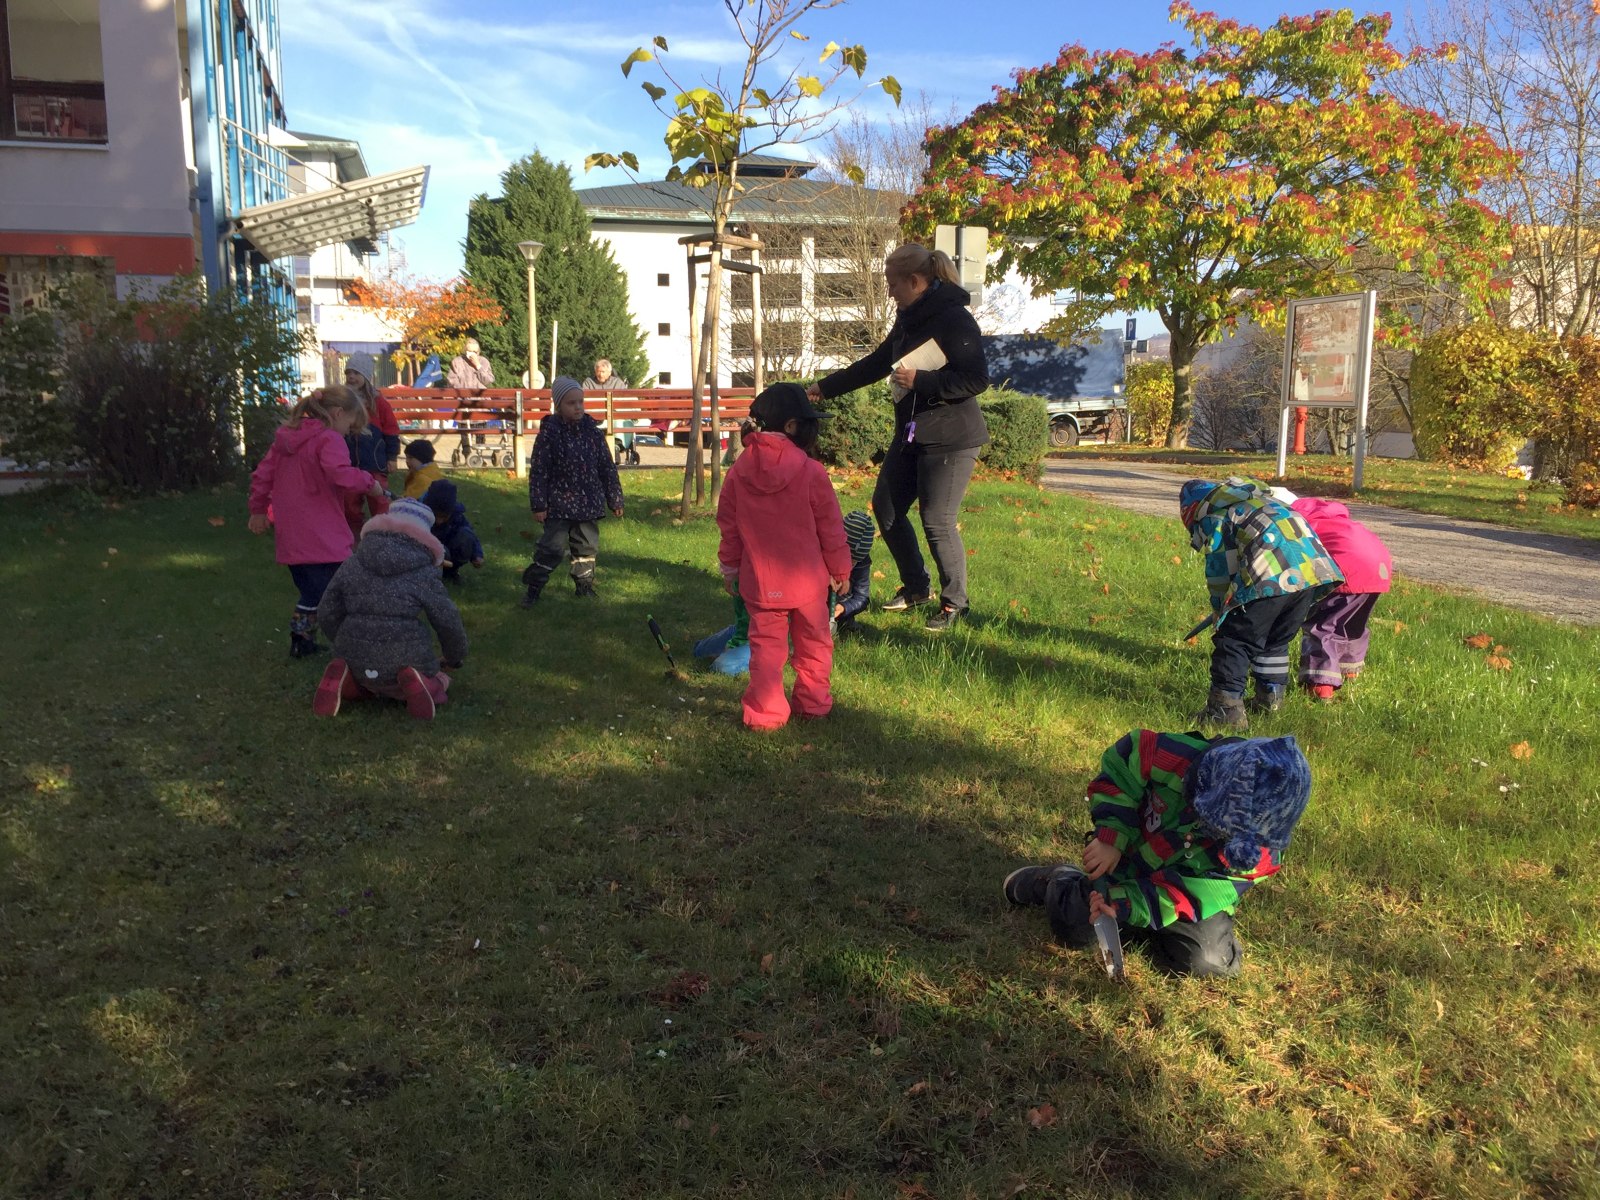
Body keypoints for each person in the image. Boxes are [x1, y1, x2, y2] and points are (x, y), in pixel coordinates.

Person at [1003, 730, 1312, 978]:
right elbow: (1121, 770)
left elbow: (1194, 895)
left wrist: (1129, 904)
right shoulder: (1174, 756)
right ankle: (1059, 880)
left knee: (1206, 961)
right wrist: (1112, 835)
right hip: (1125, 861)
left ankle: (1146, 922)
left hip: (1180, 896)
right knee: (1072, 925)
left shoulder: (1257, 856)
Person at [808, 243, 989, 633]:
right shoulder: (908, 319)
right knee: (886, 510)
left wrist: (922, 380)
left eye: (893, 284)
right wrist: (823, 387)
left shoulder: (954, 319)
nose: (889, 291)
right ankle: (917, 586)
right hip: (912, 433)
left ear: (916, 280)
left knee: (937, 519)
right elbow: (876, 363)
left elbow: (976, 379)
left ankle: (955, 604)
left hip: (952, 437)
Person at [717, 382, 851, 731]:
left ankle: (765, 714)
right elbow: (831, 528)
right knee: (814, 646)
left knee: (766, 652)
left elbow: (729, 527)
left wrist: (730, 568)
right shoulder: (811, 472)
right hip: (808, 584)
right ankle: (812, 703)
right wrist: (840, 568)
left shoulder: (738, 472)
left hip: (761, 584)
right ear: (792, 426)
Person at [1179, 477, 1343, 728]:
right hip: (1310, 575)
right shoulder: (1261, 501)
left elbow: (1220, 569)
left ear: (1191, 511)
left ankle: (1225, 711)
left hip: (1271, 577)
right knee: (1274, 640)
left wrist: (1219, 609)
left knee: (1235, 640)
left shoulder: (1216, 514)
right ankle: (1270, 699)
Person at [248, 385, 387, 658]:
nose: (349, 432)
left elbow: (262, 475)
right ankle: (345, 640)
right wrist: (370, 483)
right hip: (323, 534)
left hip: (294, 535)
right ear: (336, 414)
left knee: (312, 589)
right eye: (350, 425)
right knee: (330, 591)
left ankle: (305, 640)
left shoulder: (286, 439)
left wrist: (258, 509)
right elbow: (341, 474)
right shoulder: (328, 439)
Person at [313, 498, 469, 721]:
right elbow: (447, 620)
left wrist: (340, 638)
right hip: (406, 657)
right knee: (439, 680)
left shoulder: (353, 563)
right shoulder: (425, 573)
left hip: (352, 649)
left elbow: (327, 609)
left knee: (364, 677)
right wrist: (455, 657)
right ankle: (421, 682)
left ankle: (350, 679)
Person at [1273, 490, 1393, 700]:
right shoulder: (1328, 516)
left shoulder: (1296, 524)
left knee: (1323, 625)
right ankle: (1350, 669)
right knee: (1351, 622)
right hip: (1379, 569)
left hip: (1347, 568)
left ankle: (1320, 683)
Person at [521, 377, 624, 606]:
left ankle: (584, 586)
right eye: (571, 403)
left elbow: (607, 467)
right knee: (551, 548)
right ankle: (533, 588)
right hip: (559, 504)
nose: (578, 407)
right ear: (558, 405)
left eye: (580, 402)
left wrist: (615, 499)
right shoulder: (550, 434)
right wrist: (539, 505)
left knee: (586, 547)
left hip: (588, 504)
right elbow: (539, 472)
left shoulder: (593, 433)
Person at [343, 353, 400, 535]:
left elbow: (391, 430)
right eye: (348, 373)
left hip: (375, 463)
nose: (351, 377)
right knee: (350, 504)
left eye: (356, 373)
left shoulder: (378, 403)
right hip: (350, 465)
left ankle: (382, 534)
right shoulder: (344, 402)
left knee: (380, 501)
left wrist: (392, 457)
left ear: (366, 376)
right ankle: (354, 536)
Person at [422, 478, 485, 582]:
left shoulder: (457, 516)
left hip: (450, 550)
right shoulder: (421, 515)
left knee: (466, 535)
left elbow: (471, 534)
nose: (439, 521)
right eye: (436, 515)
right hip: (430, 551)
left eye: (444, 517)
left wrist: (477, 554)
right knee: (441, 549)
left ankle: (451, 572)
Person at [832, 510, 875, 636]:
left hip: (839, 608)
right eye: (847, 557)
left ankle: (844, 622)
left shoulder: (862, 565)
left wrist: (844, 608)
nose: (850, 564)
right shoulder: (822, 553)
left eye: (855, 560)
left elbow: (862, 597)